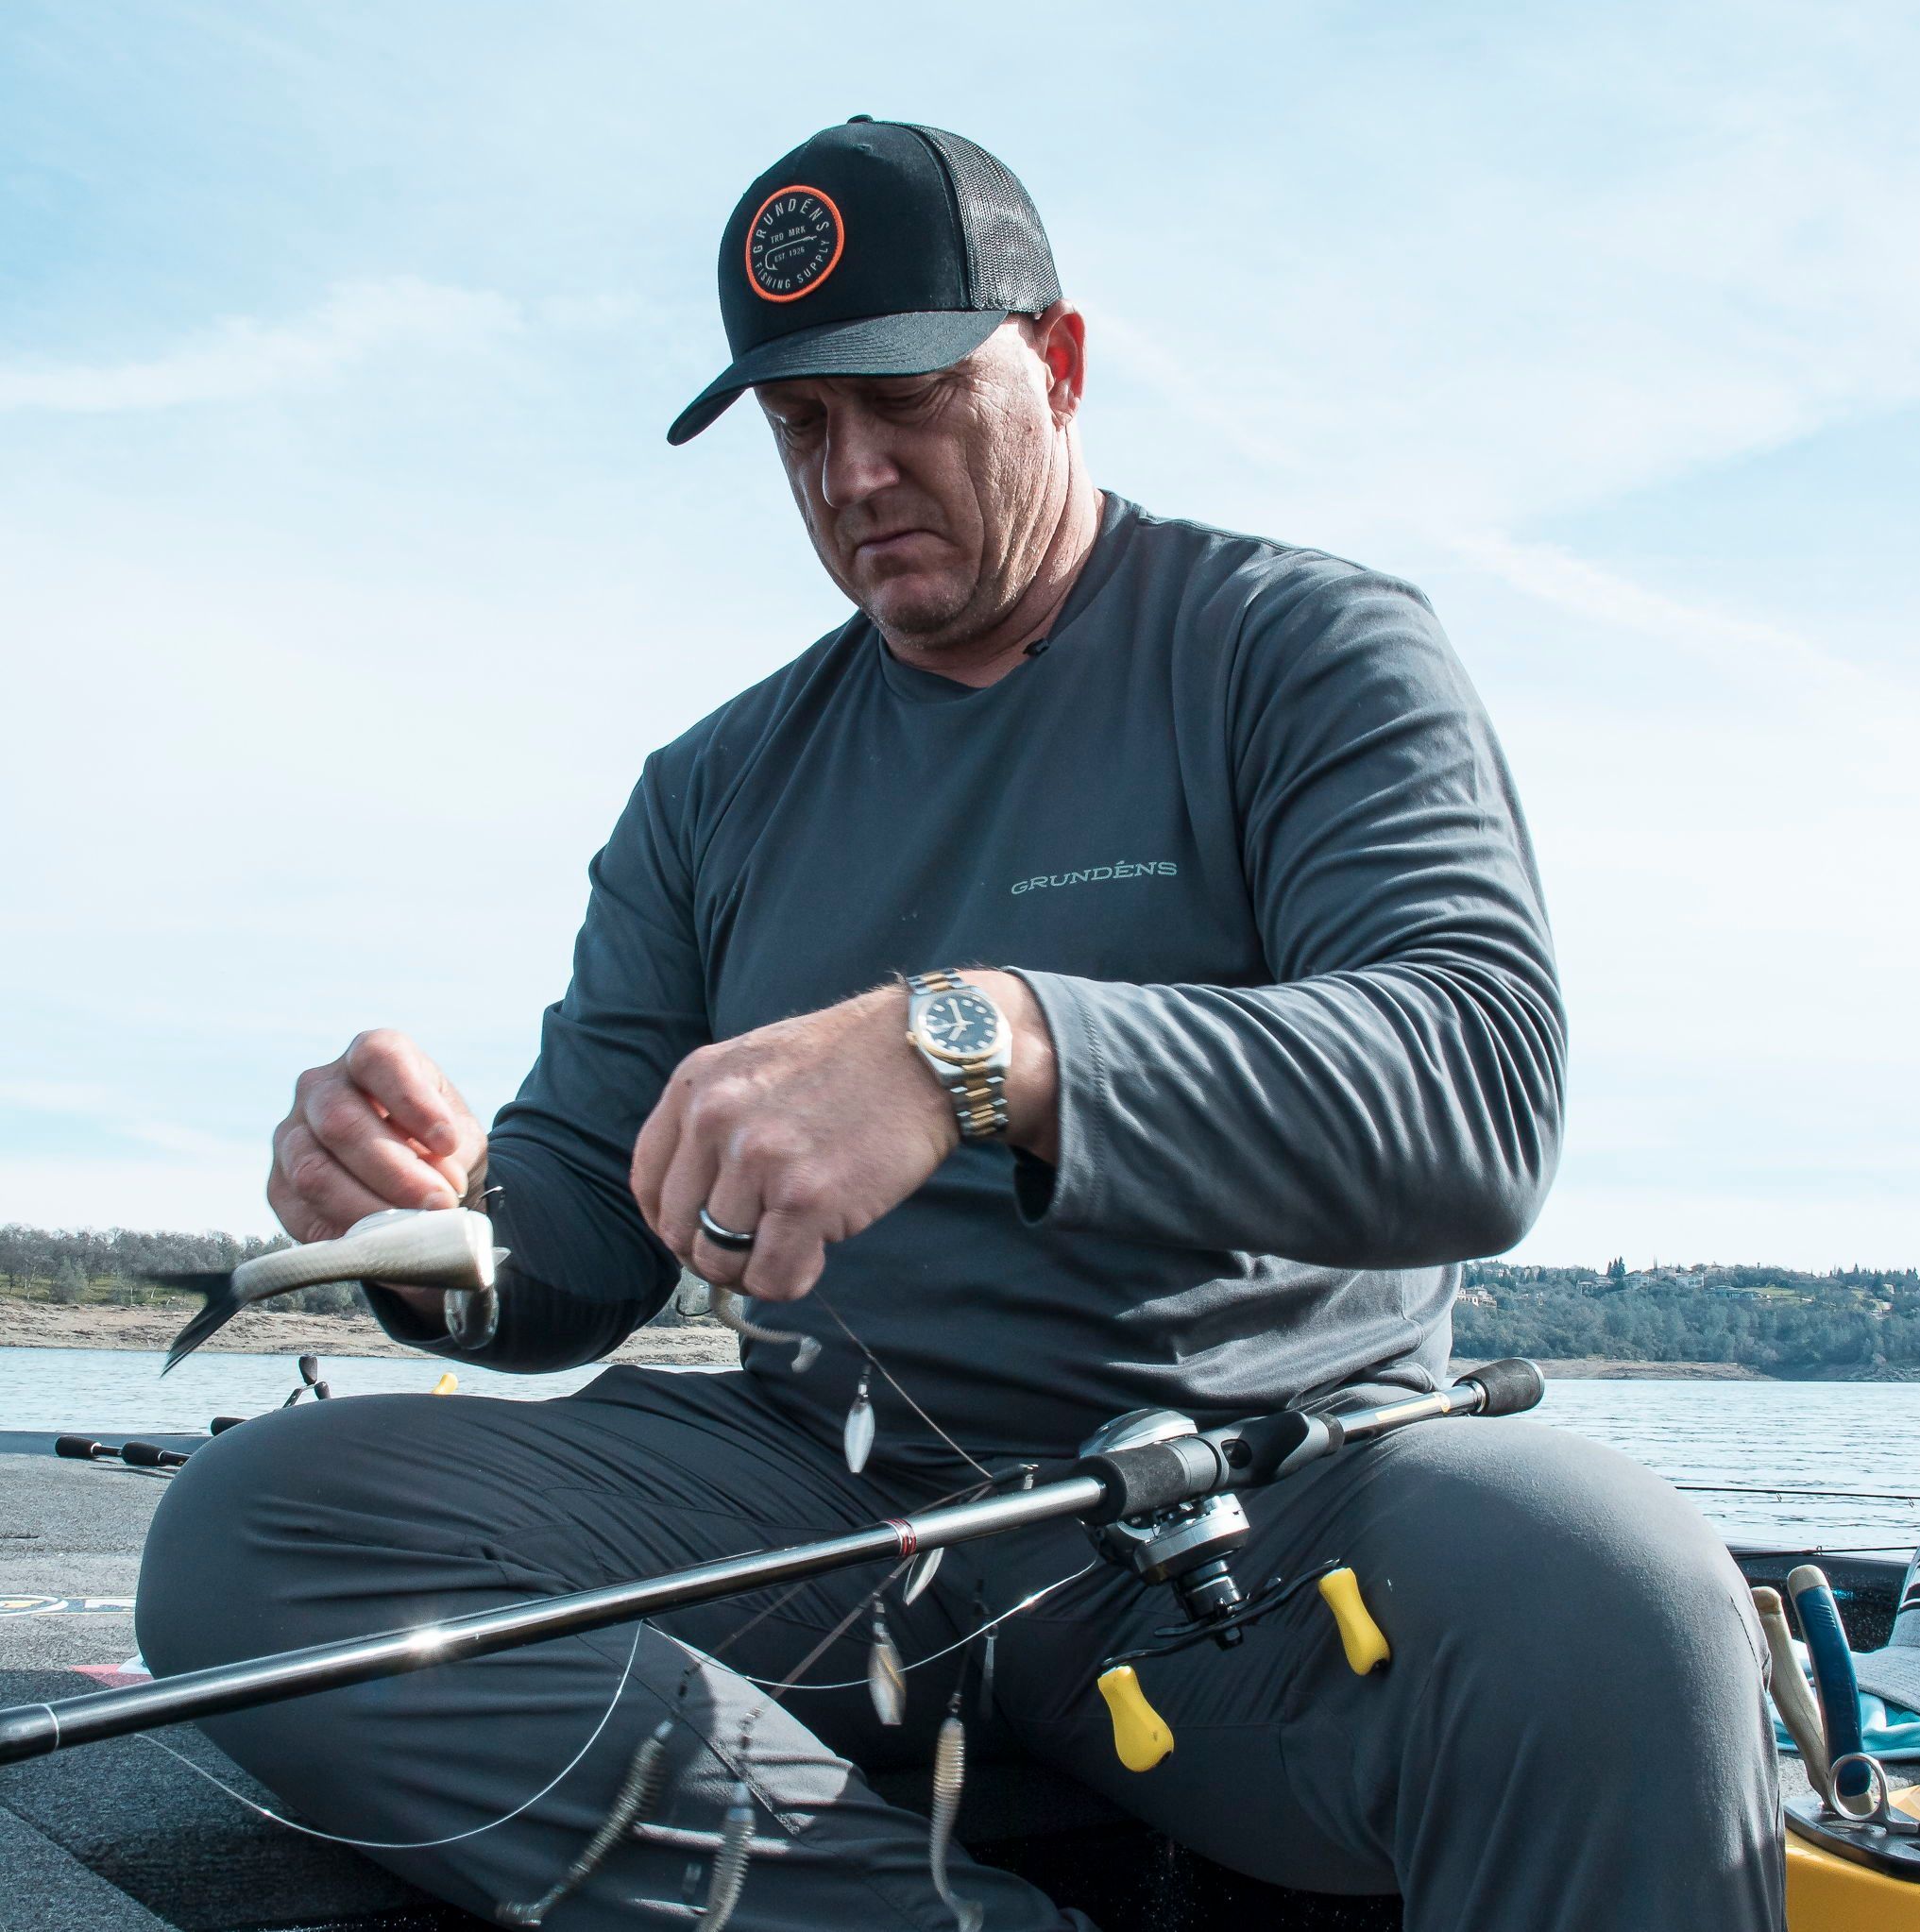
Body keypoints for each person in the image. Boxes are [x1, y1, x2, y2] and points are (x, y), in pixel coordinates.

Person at [136, 117, 1782, 1930]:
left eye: (904, 399)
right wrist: (426, 1219)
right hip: (828, 1516)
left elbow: (1475, 1090)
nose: (853, 474)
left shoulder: (1301, 647)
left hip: (1264, 1507)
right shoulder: (710, 789)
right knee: (254, 1531)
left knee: (1617, 1597)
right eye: (800, 431)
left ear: (1058, 364)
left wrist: (977, 1046)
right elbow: (582, 1235)